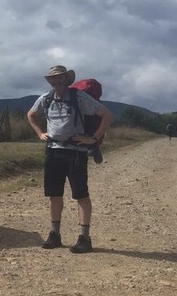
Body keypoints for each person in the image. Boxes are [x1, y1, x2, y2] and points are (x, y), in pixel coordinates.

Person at [27, 65, 113, 254]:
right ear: (50, 82)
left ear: (67, 79)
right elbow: (31, 115)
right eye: (53, 80)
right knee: (54, 194)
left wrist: (93, 138)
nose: (56, 82)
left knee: (81, 195)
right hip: (53, 150)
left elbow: (107, 115)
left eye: (60, 79)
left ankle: (84, 238)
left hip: (75, 153)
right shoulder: (46, 98)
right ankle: (55, 234)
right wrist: (40, 133)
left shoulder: (79, 97)